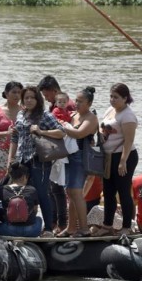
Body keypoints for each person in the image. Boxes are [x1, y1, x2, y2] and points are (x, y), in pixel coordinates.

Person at [8, 85, 65, 238]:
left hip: (39, 160)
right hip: (21, 159)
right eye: (26, 97)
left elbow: (61, 132)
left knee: (41, 193)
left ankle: (48, 228)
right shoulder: (21, 114)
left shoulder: (45, 115)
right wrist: (11, 159)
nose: (29, 100)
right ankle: (24, 223)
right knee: (22, 193)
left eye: (32, 97)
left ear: (38, 99)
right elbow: (15, 137)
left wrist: (41, 131)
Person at [92, 83, 139, 237]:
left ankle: (126, 226)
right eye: (111, 96)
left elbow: (129, 140)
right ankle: (107, 224)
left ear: (125, 98)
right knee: (108, 191)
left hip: (123, 156)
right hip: (108, 156)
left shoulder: (128, 116)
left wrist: (123, 161)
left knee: (124, 191)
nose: (112, 100)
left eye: (116, 97)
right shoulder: (110, 110)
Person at [58, 86, 99, 237]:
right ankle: (70, 228)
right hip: (69, 156)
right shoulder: (74, 114)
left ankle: (84, 228)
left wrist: (62, 125)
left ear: (89, 103)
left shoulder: (91, 117)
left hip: (81, 157)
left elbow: (79, 133)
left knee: (76, 192)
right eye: (76, 100)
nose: (76, 103)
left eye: (80, 101)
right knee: (69, 192)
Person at [38, 75, 73, 233]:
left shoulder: (65, 105)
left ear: (54, 90)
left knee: (57, 189)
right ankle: (52, 221)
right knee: (52, 188)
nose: (45, 98)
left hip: (63, 152)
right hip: (56, 151)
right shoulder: (55, 106)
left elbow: (66, 129)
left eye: (46, 95)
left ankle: (61, 223)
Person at [0, 162, 43, 237]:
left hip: (9, 230)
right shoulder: (32, 190)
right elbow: (35, 211)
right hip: (30, 231)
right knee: (39, 219)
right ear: (24, 177)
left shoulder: (3, 189)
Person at [0, 81, 23, 183]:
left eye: (19, 92)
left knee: (16, 182)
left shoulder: (24, 110)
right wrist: (7, 133)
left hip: (18, 151)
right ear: (6, 93)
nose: (17, 95)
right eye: (14, 92)